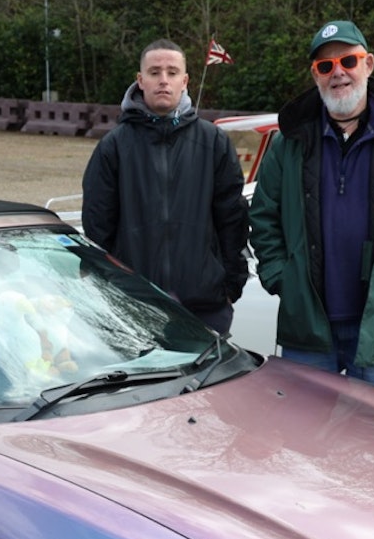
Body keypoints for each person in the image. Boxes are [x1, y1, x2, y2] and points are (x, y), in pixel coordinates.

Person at [248, 20, 374, 394]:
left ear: (368, 64)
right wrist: (281, 278)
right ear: (315, 76)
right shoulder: (289, 141)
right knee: (304, 437)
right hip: (307, 324)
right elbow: (263, 216)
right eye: (325, 66)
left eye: (348, 61)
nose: (338, 72)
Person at [82, 39, 249, 336]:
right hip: (133, 307)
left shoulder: (213, 142)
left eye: (172, 73)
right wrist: (111, 289)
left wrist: (230, 285)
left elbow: (232, 220)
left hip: (205, 306)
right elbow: (98, 227)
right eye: (155, 72)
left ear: (184, 81)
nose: (163, 80)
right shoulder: (115, 146)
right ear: (140, 80)